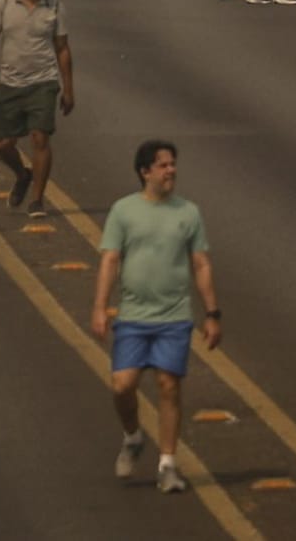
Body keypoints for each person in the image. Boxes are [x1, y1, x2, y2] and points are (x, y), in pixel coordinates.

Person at [90, 139, 221, 496]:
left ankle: (167, 463)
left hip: (174, 317)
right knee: (122, 385)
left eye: (173, 164)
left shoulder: (188, 213)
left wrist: (212, 314)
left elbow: (201, 264)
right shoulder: (123, 211)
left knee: (168, 386)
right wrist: (100, 307)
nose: (171, 171)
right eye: (163, 165)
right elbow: (110, 260)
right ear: (145, 172)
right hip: (133, 316)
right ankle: (133, 436)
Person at [0, 0, 74, 220]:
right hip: (11, 82)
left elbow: (62, 49)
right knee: (4, 144)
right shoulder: (4, 2)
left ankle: (37, 200)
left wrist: (68, 88)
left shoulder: (54, 7)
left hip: (43, 82)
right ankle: (22, 174)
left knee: (40, 137)